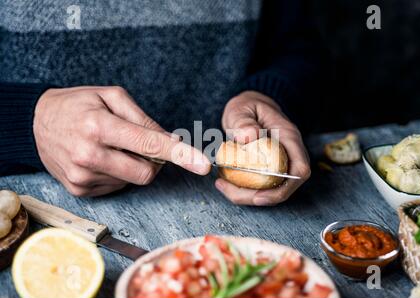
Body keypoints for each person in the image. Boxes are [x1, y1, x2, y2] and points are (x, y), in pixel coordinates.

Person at [0, 1, 316, 205]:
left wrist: (268, 94)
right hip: (32, 208)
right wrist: (30, 121)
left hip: (219, 209)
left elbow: (297, 45)